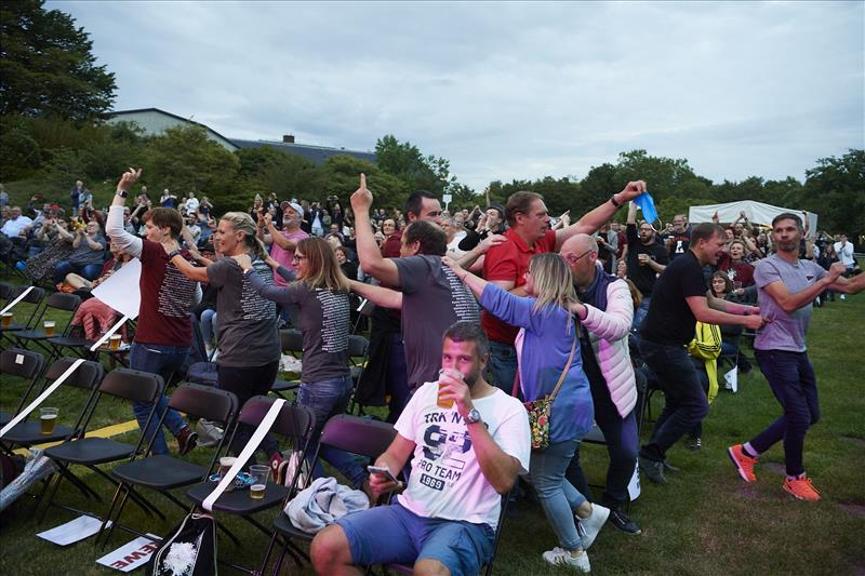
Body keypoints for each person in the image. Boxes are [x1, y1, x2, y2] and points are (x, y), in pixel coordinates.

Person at [310, 322, 531, 576]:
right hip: (408, 513)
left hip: (466, 523)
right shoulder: (426, 394)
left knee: (429, 571)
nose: (452, 368)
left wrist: (469, 412)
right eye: (447, 358)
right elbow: (394, 454)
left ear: (483, 361)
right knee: (325, 547)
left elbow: (504, 482)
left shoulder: (509, 409)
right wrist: (383, 472)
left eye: (463, 359)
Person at [448, 253, 608, 570]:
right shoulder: (555, 312)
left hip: (561, 408)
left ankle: (574, 552)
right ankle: (589, 512)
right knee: (544, 472)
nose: (525, 278)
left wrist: (460, 271)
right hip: (568, 404)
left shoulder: (544, 312)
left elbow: (498, 300)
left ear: (545, 277)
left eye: (530, 273)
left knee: (545, 482)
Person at [728, 213, 865, 501]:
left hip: (797, 348)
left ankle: (747, 451)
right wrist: (825, 279)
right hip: (774, 349)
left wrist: (825, 279)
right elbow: (788, 303)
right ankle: (794, 477)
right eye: (779, 231)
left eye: (790, 229)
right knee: (799, 415)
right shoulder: (766, 267)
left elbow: (850, 287)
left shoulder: (808, 267)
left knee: (810, 414)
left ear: (801, 233)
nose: (784, 234)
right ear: (773, 236)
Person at [482, 181, 649, 394]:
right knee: (515, 409)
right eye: (541, 215)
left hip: (534, 340)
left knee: (537, 407)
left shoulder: (541, 241)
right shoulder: (504, 248)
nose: (548, 220)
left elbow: (583, 227)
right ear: (520, 218)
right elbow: (497, 302)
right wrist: (544, 283)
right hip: (508, 347)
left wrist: (620, 198)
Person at [637, 220, 766, 484]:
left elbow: (711, 300)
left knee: (677, 402)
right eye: (720, 244)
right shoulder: (688, 267)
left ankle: (652, 455)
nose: (723, 250)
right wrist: (746, 322)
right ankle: (651, 455)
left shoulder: (691, 266)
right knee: (696, 404)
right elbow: (703, 313)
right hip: (663, 346)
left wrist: (747, 310)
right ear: (702, 242)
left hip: (662, 344)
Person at [232, 237, 367, 488]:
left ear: (314, 260)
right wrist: (274, 263)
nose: (294, 262)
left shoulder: (305, 290)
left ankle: (315, 495)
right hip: (342, 381)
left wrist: (247, 268)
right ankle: (363, 481)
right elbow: (296, 281)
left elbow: (269, 292)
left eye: (299, 258)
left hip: (318, 384)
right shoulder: (336, 287)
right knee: (323, 440)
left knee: (303, 443)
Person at [107, 169, 198, 456]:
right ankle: (181, 430)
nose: (146, 233)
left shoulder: (152, 251)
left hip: (152, 341)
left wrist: (122, 189)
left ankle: (160, 459)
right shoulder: (185, 259)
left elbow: (114, 232)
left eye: (150, 228)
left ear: (165, 230)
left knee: (141, 398)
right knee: (154, 392)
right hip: (181, 344)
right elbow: (195, 298)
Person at [559, 234, 642, 535]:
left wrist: (579, 309)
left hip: (610, 385)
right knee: (567, 453)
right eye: (562, 258)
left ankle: (614, 502)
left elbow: (620, 326)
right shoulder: (559, 285)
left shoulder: (614, 287)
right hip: (572, 386)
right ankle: (588, 509)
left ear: (592, 257)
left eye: (571, 259)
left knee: (627, 451)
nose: (565, 265)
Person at [625, 201, 669, 332]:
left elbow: (666, 270)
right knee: (626, 327)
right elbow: (630, 223)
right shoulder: (634, 243)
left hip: (648, 295)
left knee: (638, 328)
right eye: (641, 229)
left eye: (647, 230)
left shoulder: (660, 250)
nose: (643, 232)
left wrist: (650, 262)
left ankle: (639, 352)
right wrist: (633, 203)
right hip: (630, 293)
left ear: (653, 232)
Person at [52, 219, 107, 285]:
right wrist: (79, 235)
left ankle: (84, 291)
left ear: (98, 229)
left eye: (92, 226)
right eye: (88, 225)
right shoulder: (81, 236)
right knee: (60, 267)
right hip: (76, 261)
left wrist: (86, 236)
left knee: (88, 273)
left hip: (91, 263)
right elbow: (75, 246)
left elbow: (95, 247)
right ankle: (58, 286)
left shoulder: (101, 239)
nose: (89, 227)